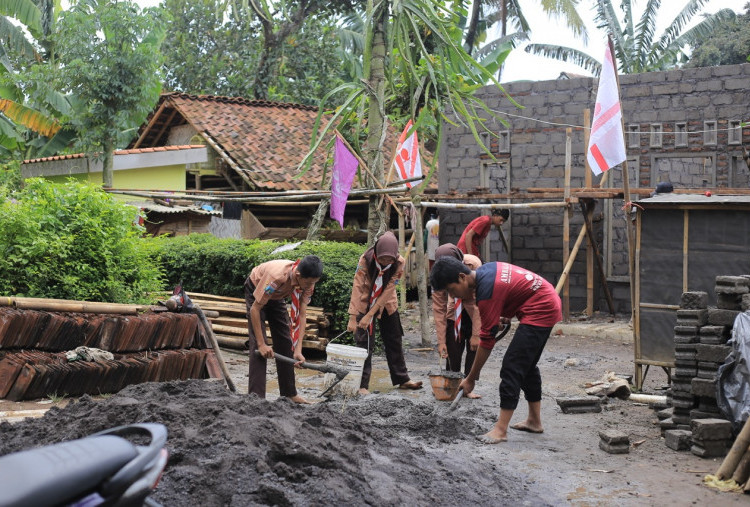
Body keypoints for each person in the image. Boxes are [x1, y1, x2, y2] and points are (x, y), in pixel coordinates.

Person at [430, 256, 562, 444]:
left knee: (511, 366)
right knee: (527, 366)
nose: (456, 296)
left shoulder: (487, 291)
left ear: (462, 277)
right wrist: (504, 316)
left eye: (452, 290)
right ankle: (534, 421)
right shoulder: (486, 272)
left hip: (541, 309)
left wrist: (471, 378)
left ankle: (500, 430)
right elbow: (512, 291)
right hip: (544, 300)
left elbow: (486, 341)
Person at [347, 231, 423, 394]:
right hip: (365, 297)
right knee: (364, 343)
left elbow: (389, 288)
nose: (386, 261)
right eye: (383, 258)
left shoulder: (399, 262)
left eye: (390, 259)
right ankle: (362, 385)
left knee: (394, 339)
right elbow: (357, 286)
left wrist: (371, 314)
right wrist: (354, 317)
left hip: (387, 301)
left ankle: (402, 379)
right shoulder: (365, 260)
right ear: (376, 253)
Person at [245, 255, 323, 404]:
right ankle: (256, 398)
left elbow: (302, 314)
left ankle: (289, 393)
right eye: (308, 283)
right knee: (259, 347)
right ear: (298, 275)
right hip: (256, 289)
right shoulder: (276, 277)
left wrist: (298, 349)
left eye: (313, 283)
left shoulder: (308, 282)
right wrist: (262, 344)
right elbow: (255, 309)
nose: (310, 286)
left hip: (277, 295)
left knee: (286, 341)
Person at [431, 243, 482, 398]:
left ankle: (468, 386)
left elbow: (480, 302)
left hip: (473, 311)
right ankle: (452, 383)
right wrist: (441, 342)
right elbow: (439, 308)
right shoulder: (437, 275)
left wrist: (476, 333)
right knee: (452, 347)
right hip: (454, 312)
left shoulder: (473, 265)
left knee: (474, 348)